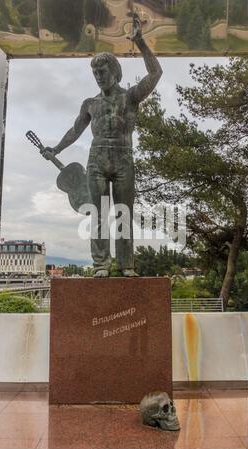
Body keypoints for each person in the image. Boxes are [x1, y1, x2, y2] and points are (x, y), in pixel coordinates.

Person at [42, 14, 163, 277]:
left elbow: (156, 73)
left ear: (114, 71)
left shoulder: (130, 97)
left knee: (123, 214)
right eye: (95, 73)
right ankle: (100, 265)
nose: (98, 76)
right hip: (96, 160)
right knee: (98, 214)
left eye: (103, 71)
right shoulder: (90, 103)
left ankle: (126, 265)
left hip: (123, 157)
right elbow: (75, 130)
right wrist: (56, 149)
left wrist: (140, 43)